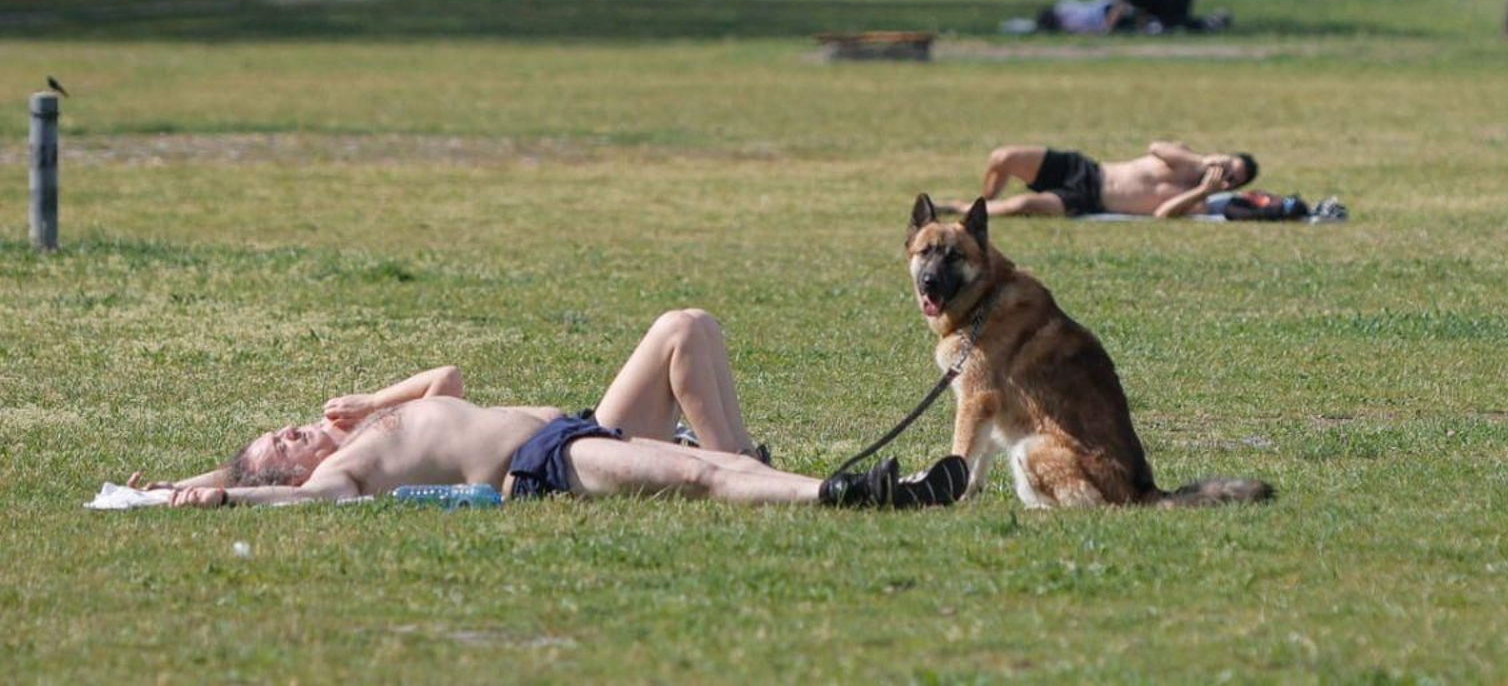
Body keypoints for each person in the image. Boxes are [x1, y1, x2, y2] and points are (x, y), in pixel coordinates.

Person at [134, 309, 966, 511]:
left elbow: (448, 374)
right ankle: (846, 495)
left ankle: (765, 473)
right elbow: (295, 498)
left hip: (582, 423)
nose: (295, 426)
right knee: (692, 470)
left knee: (686, 328)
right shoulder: (344, 470)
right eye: (284, 440)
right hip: (545, 466)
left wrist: (371, 397)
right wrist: (216, 492)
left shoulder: (370, 422)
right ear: (295, 465)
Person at [936, 141, 1259, 219]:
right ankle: (985, 201)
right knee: (1002, 158)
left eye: (1233, 179)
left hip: (1088, 200)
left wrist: (1204, 190)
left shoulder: (1199, 201)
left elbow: (1164, 215)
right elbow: (1155, 146)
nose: (1226, 175)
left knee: (1022, 205)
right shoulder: (1186, 158)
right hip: (1086, 171)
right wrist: (1203, 162)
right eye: (1229, 165)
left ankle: (966, 210)